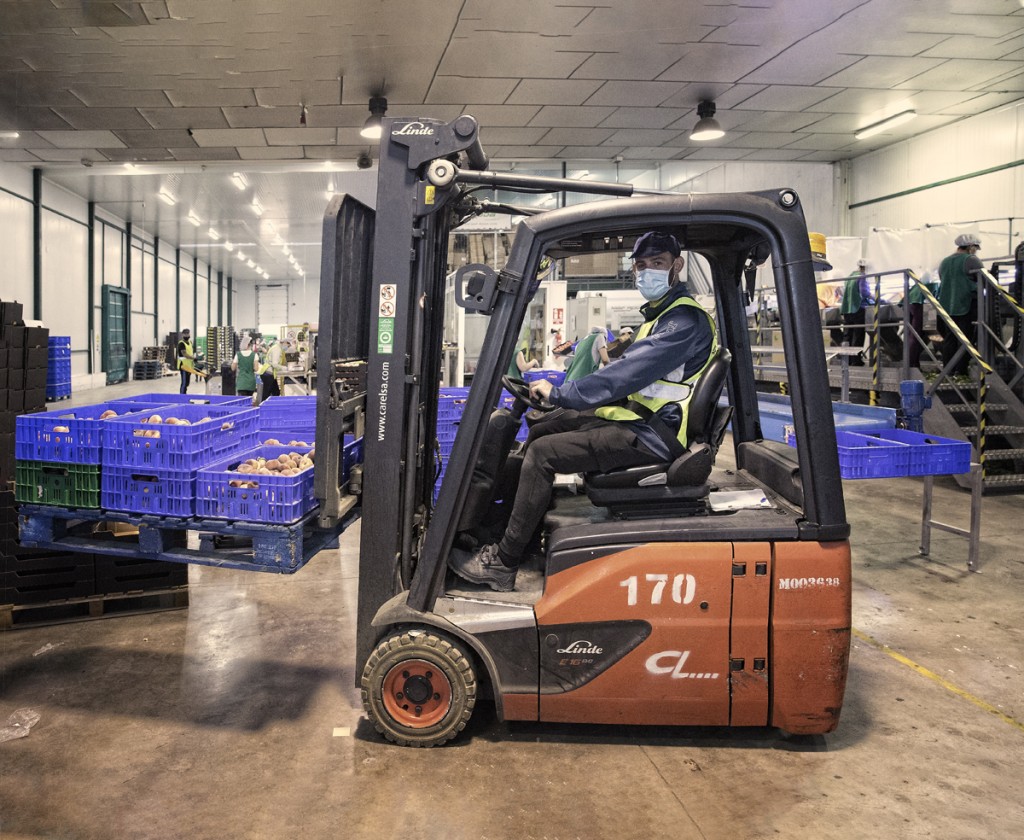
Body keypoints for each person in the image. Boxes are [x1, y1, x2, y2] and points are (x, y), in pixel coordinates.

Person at [449, 231, 716, 592]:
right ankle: (511, 536)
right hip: (643, 420)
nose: (648, 271)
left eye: (658, 263)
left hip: (654, 435)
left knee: (542, 453)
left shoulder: (683, 320)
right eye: (642, 265)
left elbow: (624, 375)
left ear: (677, 266)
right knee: (542, 428)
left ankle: (504, 562)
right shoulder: (663, 315)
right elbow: (621, 370)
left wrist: (563, 392)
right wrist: (560, 401)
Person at [937, 233, 983, 376]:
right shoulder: (971, 260)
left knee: (950, 339)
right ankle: (961, 371)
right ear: (970, 247)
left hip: (945, 307)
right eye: (975, 247)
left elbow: (942, 279)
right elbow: (986, 279)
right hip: (965, 304)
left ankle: (948, 371)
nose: (976, 250)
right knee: (966, 339)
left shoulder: (944, 262)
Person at [839, 260, 874, 365]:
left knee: (847, 335)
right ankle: (856, 361)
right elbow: (865, 293)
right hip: (858, 309)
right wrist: (878, 299)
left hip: (847, 310)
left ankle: (847, 360)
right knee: (858, 335)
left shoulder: (850, 276)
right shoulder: (861, 277)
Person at [906, 270, 938, 370]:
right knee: (932, 334)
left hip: (913, 305)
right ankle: (912, 364)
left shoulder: (918, 284)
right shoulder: (932, 282)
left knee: (914, 336)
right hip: (924, 306)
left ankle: (913, 363)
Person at [176, 328, 194, 393]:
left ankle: (185, 397)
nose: (187, 335)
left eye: (188, 333)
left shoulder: (190, 342)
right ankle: (182, 398)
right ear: (182, 335)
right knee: (184, 383)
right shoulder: (181, 343)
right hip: (183, 366)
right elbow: (184, 354)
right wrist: (193, 358)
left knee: (187, 383)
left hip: (189, 366)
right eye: (185, 334)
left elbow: (191, 352)